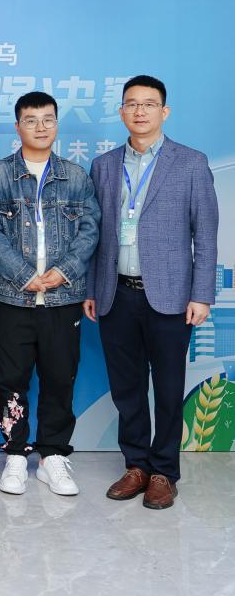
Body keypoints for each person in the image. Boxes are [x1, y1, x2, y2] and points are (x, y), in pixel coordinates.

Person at [84, 75, 218, 510]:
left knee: (168, 386)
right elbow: (96, 235)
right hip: (116, 292)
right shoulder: (104, 165)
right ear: (121, 111)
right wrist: (92, 287)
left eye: (149, 103)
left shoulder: (191, 163)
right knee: (126, 387)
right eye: (131, 104)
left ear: (165, 111)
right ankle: (136, 465)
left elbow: (206, 234)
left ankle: (164, 471)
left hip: (171, 296)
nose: (139, 111)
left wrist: (202, 294)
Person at [0, 92, 99, 496]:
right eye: (31, 120)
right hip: (12, 297)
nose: (40, 127)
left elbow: (90, 229)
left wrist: (63, 272)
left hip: (63, 298)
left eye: (48, 119)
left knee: (60, 376)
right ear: (18, 127)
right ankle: (15, 454)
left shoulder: (76, 176)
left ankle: (52, 456)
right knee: (9, 377)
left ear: (57, 125)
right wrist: (23, 275)